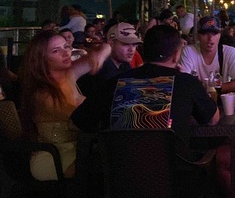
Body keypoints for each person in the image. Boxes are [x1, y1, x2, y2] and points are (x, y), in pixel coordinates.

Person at [71, 25, 219, 158]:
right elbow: (212, 119)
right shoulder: (186, 82)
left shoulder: (118, 82)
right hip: (175, 175)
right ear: (175, 54)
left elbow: (81, 120)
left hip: (118, 178)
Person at [21, 30, 111, 180]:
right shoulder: (44, 95)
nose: (65, 53)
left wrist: (98, 56)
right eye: (56, 51)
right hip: (55, 157)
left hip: (80, 148)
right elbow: (84, 120)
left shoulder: (68, 73)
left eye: (66, 47)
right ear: (41, 59)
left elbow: (107, 47)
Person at [179, 16, 235, 93]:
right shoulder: (188, 51)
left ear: (219, 35)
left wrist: (209, 88)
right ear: (198, 36)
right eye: (205, 33)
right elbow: (184, 82)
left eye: (214, 33)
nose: (210, 38)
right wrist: (214, 88)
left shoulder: (230, 52)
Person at [77, 22, 142, 98]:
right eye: (126, 44)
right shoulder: (100, 67)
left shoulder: (124, 65)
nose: (131, 49)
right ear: (111, 43)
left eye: (134, 44)